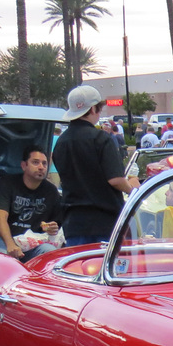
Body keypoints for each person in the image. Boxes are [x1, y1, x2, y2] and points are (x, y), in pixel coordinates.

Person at [52, 85, 138, 247]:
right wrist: (133, 189)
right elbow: (116, 180)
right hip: (105, 222)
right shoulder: (101, 139)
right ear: (93, 108)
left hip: (74, 224)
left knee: (79, 269)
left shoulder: (61, 143)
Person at [0, 145, 62, 261]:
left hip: (33, 244)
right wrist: (10, 244)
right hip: (0, 241)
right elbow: (0, 217)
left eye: (44, 164)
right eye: (35, 162)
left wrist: (52, 228)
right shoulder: (7, 184)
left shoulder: (51, 191)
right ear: (24, 165)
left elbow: (55, 225)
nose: (41, 167)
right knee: (5, 258)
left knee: (50, 253)